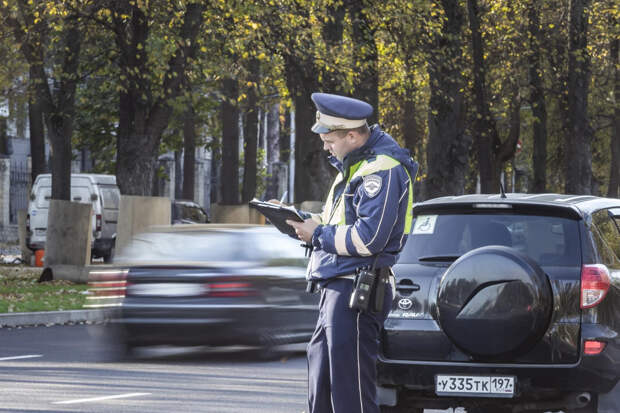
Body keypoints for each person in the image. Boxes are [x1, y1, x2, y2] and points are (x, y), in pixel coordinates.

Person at [286, 92, 418, 413]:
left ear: (353, 135)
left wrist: (317, 233)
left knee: (351, 396)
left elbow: (369, 238)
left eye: (330, 138)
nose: (325, 145)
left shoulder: (381, 171)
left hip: (356, 290)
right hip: (337, 287)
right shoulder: (356, 167)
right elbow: (345, 225)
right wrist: (310, 225)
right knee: (324, 390)